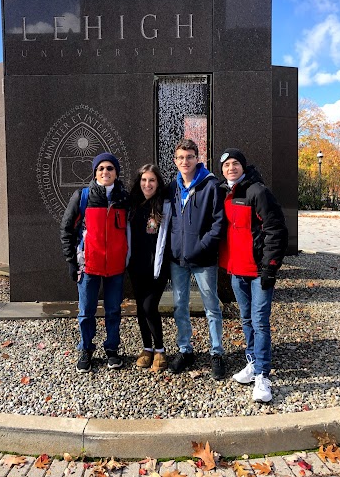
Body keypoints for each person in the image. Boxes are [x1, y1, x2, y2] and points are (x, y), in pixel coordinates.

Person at [219, 148, 288, 402]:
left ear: (244, 167)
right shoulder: (224, 193)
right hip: (237, 270)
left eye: (236, 164)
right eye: (226, 165)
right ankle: (252, 362)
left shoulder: (257, 191)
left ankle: (262, 375)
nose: (231, 168)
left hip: (258, 270)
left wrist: (271, 266)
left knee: (260, 322)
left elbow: (276, 230)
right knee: (246, 319)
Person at [60, 152, 130, 373]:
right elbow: (66, 229)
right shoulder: (82, 196)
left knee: (113, 311)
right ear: (95, 173)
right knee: (86, 311)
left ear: (116, 173)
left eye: (109, 168)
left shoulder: (124, 199)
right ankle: (86, 349)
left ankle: (112, 350)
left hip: (116, 267)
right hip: (88, 265)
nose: (105, 172)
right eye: (101, 169)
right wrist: (71, 261)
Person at [168, 138, 226, 379]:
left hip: (203, 259)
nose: (185, 161)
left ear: (197, 158)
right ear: (175, 160)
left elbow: (219, 223)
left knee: (211, 306)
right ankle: (185, 349)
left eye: (189, 157)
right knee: (180, 306)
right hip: (178, 259)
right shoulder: (172, 187)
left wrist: (201, 247)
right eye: (180, 157)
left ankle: (217, 353)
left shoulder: (210, 185)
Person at [127, 164, 171, 372]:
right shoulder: (132, 204)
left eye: (152, 180)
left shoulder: (164, 204)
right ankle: (147, 348)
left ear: (158, 183)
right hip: (136, 265)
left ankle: (160, 350)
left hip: (158, 266)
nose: (147, 184)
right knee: (140, 308)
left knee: (149, 307)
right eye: (144, 180)